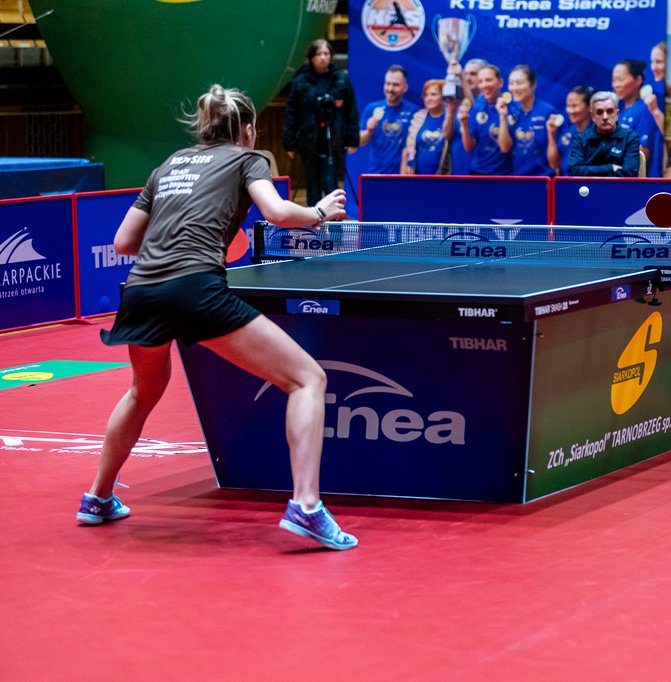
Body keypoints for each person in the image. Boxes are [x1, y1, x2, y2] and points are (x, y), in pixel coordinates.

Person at [77, 85, 358, 550]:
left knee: (143, 391)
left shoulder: (168, 166)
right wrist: (318, 212)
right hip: (194, 289)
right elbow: (276, 212)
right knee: (308, 379)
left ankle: (97, 497)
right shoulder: (249, 159)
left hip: (142, 292)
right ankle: (307, 507)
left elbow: (124, 242)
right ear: (247, 130)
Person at [282, 39, 359, 206]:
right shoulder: (300, 81)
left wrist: (353, 139)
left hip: (334, 139)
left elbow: (351, 111)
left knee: (331, 181)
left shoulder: (341, 80)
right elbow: (291, 113)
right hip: (309, 139)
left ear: (331, 56)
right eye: (319, 54)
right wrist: (289, 143)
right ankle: (313, 217)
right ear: (311, 57)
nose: (323, 57)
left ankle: (334, 218)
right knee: (312, 184)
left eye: (326, 53)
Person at [501, 64, 559, 176]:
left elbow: (557, 157)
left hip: (543, 178)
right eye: (511, 83)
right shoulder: (511, 111)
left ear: (533, 84)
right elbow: (504, 148)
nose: (514, 88)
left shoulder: (548, 112)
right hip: (518, 178)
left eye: (519, 83)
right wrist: (502, 116)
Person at [359, 65, 418, 173]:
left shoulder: (414, 112)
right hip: (375, 173)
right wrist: (369, 131)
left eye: (395, 85)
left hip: (403, 175)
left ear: (405, 88)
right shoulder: (371, 109)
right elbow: (360, 142)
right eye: (388, 84)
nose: (390, 89)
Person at [567, 91, 640, 177]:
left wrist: (593, 175)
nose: (605, 117)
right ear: (592, 115)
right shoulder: (580, 139)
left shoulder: (630, 137)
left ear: (617, 114)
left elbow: (630, 172)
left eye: (610, 111)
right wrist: (611, 168)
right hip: (588, 185)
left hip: (618, 185)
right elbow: (574, 171)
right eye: (599, 112)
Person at [457, 63, 513, 175]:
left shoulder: (514, 107)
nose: (484, 85)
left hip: (505, 175)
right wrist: (464, 124)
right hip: (478, 173)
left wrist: (503, 117)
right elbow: (469, 147)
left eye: (488, 80)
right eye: (481, 81)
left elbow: (505, 148)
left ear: (500, 83)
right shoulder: (477, 108)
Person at [612, 59, 663, 177]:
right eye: (614, 80)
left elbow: (642, 155)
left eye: (621, 79)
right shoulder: (623, 112)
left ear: (638, 80)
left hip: (634, 181)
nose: (616, 85)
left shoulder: (643, 110)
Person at [443, 58, 487, 175]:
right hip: (458, 167)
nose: (468, 78)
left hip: (481, 170)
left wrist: (461, 77)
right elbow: (447, 135)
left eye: (473, 74)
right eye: (466, 74)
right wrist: (451, 111)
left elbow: (474, 110)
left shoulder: (488, 101)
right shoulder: (457, 99)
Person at [401, 79, 450, 175]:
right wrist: (402, 178)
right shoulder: (418, 118)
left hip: (443, 175)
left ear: (443, 96)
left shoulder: (450, 117)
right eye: (426, 95)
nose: (429, 98)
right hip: (417, 176)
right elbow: (406, 151)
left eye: (433, 94)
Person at [552, 85, 593, 176]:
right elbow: (554, 164)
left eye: (575, 106)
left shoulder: (599, 133)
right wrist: (551, 134)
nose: (570, 111)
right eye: (568, 106)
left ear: (589, 107)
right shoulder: (569, 131)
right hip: (566, 183)